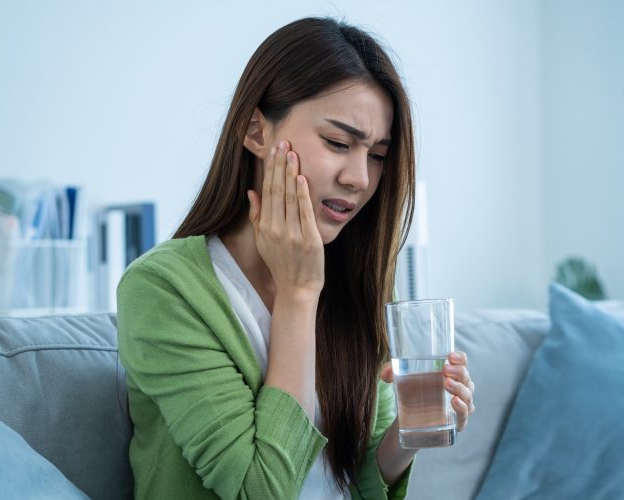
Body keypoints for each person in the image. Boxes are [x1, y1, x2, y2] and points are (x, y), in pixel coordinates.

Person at [117, 16, 476, 499]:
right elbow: (260, 491)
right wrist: (298, 293)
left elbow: (355, 483)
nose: (360, 178)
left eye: (377, 155)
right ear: (256, 132)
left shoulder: (360, 281)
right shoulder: (164, 289)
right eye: (338, 143)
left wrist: (407, 433)